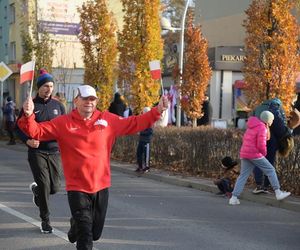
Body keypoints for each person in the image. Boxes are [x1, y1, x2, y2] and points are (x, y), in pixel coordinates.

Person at [17, 84, 168, 250]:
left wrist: (157, 110)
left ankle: (75, 224)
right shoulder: (63, 123)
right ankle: (79, 225)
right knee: (86, 236)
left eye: (92, 99)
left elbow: (134, 123)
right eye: (85, 98)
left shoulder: (107, 120)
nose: (89, 102)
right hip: (77, 188)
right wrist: (29, 115)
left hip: (101, 186)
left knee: (95, 232)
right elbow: (36, 131)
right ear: (76, 100)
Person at [15, 69, 66, 233]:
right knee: (45, 185)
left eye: (51, 86)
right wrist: (27, 140)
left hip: (54, 151)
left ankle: (37, 191)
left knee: (55, 187)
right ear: (39, 87)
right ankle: (45, 221)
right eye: (45, 86)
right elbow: (18, 128)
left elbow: (66, 128)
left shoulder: (58, 106)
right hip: (37, 152)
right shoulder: (30, 105)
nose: (48, 89)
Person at [229, 111, 291, 205]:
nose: (272, 121)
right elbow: (261, 144)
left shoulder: (252, 126)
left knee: (243, 176)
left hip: (245, 154)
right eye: (272, 119)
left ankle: (233, 198)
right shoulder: (262, 127)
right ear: (268, 120)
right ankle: (278, 193)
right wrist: (264, 153)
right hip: (254, 154)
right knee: (270, 170)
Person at [252, 98, 296, 194]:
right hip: (270, 140)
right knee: (269, 162)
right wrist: (288, 131)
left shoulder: (258, 108)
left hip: (257, 138)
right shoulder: (275, 108)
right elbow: (279, 127)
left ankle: (259, 184)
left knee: (259, 160)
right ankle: (266, 186)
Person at [135, 107, 153, 173]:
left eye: (144, 112)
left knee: (146, 155)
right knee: (139, 153)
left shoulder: (150, 120)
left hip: (146, 141)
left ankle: (147, 167)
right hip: (141, 140)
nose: (143, 113)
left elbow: (150, 132)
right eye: (143, 111)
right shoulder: (143, 119)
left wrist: (141, 132)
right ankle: (140, 167)